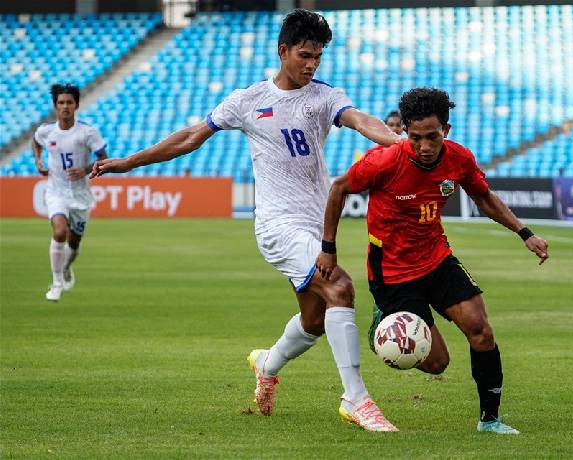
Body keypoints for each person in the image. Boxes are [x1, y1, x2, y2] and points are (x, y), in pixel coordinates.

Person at [91, 9, 400, 431]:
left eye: (318, 58)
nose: (311, 64)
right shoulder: (248, 100)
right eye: (305, 55)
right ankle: (356, 400)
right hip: (276, 226)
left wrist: (397, 140)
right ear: (283, 51)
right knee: (341, 289)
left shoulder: (325, 96)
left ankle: (267, 366)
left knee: (314, 321)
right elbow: (189, 137)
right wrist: (128, 162)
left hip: (311, 225)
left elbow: (361, 120)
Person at [316, 88, 550, 435]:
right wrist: (328, 247)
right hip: (392, 273)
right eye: (415, 138)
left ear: (447, 130)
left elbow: (483, 198)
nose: (424, 146)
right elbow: (338, 189)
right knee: (437, 362)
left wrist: (524, 232)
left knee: (480, 329)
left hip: (436, 258)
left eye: (432, 137)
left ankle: (490, 420)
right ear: (404, 132)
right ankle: (382, 327)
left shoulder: (459, 159)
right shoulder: (384, 161)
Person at [33, 83, 108, 301]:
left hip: (81, 196)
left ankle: (66, 267)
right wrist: (38, 160)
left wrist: (84, 169)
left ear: (76, 105)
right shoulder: (46, 131)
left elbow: (104, 158)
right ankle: (56, 283)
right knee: (59, 233)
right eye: (61, 103)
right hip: (56, 192)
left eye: (69, 102)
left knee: (74, 244)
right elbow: (36, 142)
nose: (65, 107)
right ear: (55, 106)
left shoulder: (87, 132)